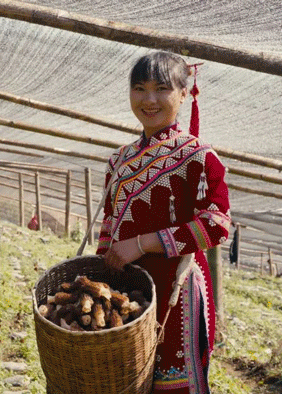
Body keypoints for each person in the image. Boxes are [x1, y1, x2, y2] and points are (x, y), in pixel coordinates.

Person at [97, 51, 231, 393]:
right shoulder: (119, 160)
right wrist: (99, 277)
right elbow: (109, 225)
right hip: (123, 292)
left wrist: (141, 244)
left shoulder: (199, 157)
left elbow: (217, 224)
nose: (149, 99)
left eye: (162, 89)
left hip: (175, 293)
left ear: (184, 95)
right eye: (140, 88)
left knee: (171, 385)